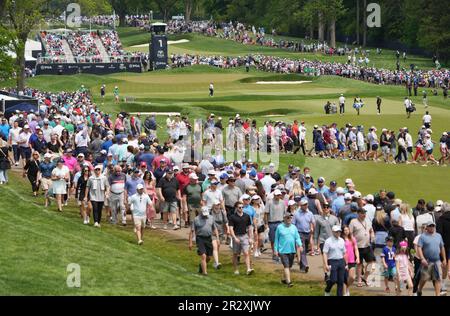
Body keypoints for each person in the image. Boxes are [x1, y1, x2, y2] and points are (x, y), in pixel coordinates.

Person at [416, 221, 447, 296]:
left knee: (437, 279)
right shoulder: (423, 236)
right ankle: (419, 290)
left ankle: (437, 294)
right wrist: (422, 258)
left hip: (437, 261)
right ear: (427, 227)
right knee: (424, 278)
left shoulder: (438, 235)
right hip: (427, 261)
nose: (432, 227)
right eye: (430, 226)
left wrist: (444, 259)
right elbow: (419, 247)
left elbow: (442, 247)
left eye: (433, 226)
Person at [274, 212, 303, 287]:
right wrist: (275, 250)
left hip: (292, 250)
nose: (289, 219)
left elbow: (297, 237)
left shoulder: (294, 227)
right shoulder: (279, 227)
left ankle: (284, 279)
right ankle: (289, 282)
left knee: (289, 266)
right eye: (287, 218)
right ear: (284, 218)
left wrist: (300, 245)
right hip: (282, 251)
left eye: (290, 218)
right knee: (286, 266)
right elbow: (276, 240)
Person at [189, 206, 219, 275]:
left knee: (208, 257)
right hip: (200, 239)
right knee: (203, 256)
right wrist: (190, 242)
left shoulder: (211, 218)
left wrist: (217, 238)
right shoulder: (196, 219)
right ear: (201, 212)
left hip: (208, 238)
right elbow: (192, 231)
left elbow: (215, 229)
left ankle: (201, 266)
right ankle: (205, 272)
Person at [349, 208, 375, 287]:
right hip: (358, 247)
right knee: (359, 264)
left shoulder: (368, 221)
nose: (364, 214)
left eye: (365, 213)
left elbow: (371, 230)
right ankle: (359, 280)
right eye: (362, 213)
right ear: (358, 213)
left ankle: (365, 277)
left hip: (367, 245)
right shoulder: (353, 222)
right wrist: (352, 242)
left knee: (371, 262)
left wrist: (372, 234)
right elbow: (350, 233)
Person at [229, 201, 254, 275]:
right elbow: (231, 228)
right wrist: (234, 238)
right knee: (236, 254)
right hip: (236, 236)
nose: (241, 208)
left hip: (244, 236)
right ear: (236, 208)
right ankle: (236, 269)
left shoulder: (246, 216)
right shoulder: (232, 217)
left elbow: (249, 227)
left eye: (242, 207)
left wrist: (250, 237)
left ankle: (248, 269)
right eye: (240, 207)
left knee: (246, 253)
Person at [292, 198, 316, 272]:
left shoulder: (310, 213)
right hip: (300, 233)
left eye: (306, 204)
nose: (306, 206)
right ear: (301, 205)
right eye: (304, 205)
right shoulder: (296, 213)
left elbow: (313, 222)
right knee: (302, 249)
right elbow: (293, 224)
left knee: (305, 251)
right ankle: (305, 265)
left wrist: (312, 228)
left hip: (308, 233)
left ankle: (302, 267)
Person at [323, 225, 347, 296]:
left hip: (341, 261)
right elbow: (325, 253)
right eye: (336, 232)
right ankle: (327, 290)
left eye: (339, 231)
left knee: (341, 281)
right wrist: (326, 264)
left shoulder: (342, 240)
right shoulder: (328, 241)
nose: (338, 233)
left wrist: (346, 263)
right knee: (333, 280)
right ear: (333, 232)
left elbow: (344, 252)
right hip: (332, 261)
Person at [264, 189, 287, 262]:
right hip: (272, 223)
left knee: (281, 239)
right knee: (273, 240)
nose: (278, 196)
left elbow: (284, 213)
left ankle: (279, 253)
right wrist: (266, 223)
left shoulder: (283, 203)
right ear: (274, 195)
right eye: (277, 195)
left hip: (280, 222)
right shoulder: (270, 202)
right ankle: (274, 253)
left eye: (279, 195)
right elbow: (266, 213)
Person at [211, 199, 229, 269]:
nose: (217, 206)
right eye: (216, 205)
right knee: (215, 247)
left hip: (220, 233)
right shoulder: (210, 212)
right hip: (212, 233)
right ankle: (217, 263)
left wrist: (227, 229)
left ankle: (215, 261)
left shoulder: (222, 212)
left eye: (218, 204)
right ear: (213, 205)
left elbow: (226, 221)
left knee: (217, 247)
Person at [436, 202, 450, 294]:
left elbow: (439, 233)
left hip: (444, 245)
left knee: (444, 264)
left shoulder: (440, 219)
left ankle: (444, 285)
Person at [342, 226, 359, 296]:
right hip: (343, 261)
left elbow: (356, 248)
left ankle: (347, 287)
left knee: (352, 277)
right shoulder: (341, 240)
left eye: (347, 230)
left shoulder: (352, 239)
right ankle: (345, 293)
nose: (346, 231)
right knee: (344, 278)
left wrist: (357, 257)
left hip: (352, 260)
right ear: (343, 231)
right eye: (345, 230)